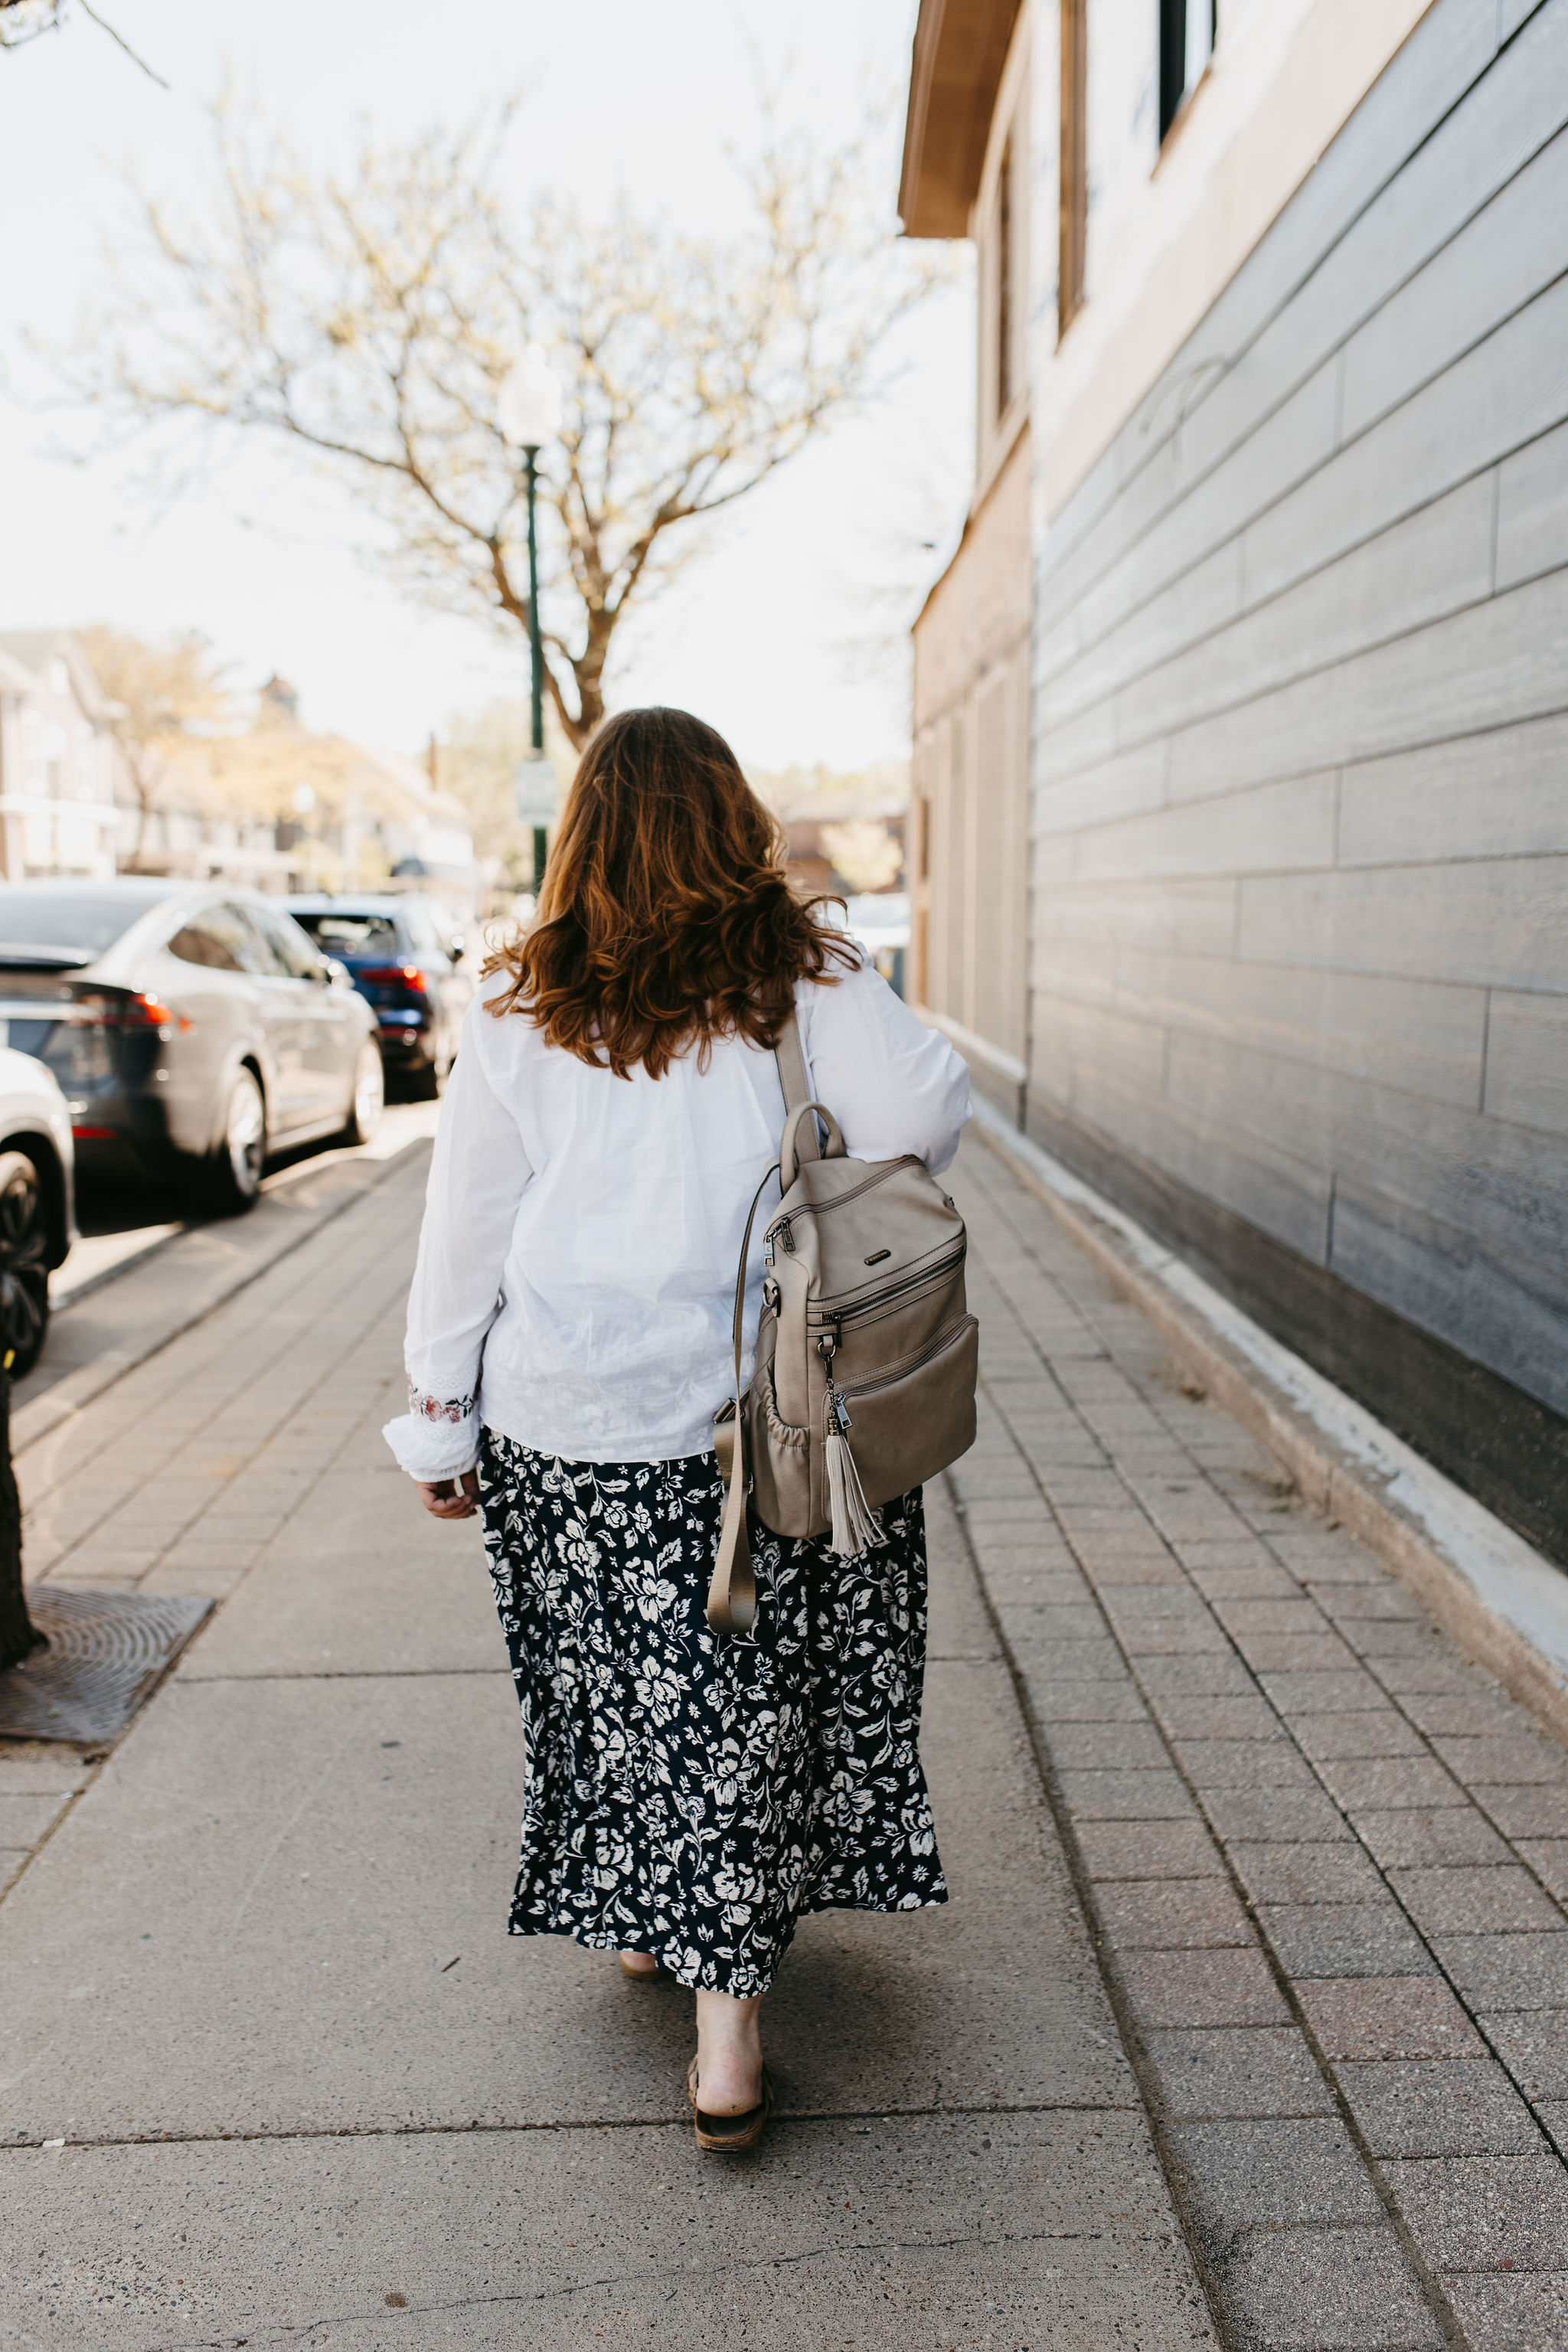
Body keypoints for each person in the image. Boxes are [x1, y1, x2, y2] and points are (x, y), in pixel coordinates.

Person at [384, 706, 970, 2152]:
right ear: (735, 825)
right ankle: (726, 2031)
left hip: (569, 1418)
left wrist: (440, 1411)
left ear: (581, 837)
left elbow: (467, 1228)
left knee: (614, 1688)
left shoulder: (522, 1005)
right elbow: (930, 1114)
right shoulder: (804, 982)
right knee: (746, 1698)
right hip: (766, 1419)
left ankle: (668, 1937)